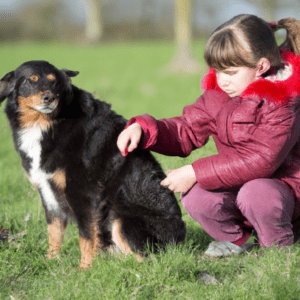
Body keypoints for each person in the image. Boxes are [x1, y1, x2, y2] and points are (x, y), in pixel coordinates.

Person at [117, 14, 300, 256]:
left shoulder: (284, 101)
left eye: (231, 72)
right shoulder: (218, 96)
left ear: (261, 67)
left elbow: (261, 160)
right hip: (241, 185)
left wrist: (195, 171)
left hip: (286, 191)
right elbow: (186, 129)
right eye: (217, 70)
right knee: (195, 195)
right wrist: (144, 129)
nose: (222, 80)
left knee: (256, 192)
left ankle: (278, 250)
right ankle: (238, 243)